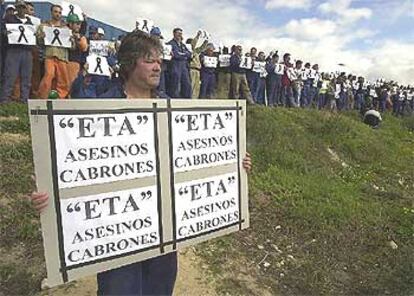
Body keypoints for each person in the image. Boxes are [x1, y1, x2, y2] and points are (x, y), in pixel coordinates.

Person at [31, 30, 253, 296]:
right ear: (129, 63)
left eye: (159, 60)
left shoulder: (172, 108)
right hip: (117, 237)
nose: (158, 65)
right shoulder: (98, 110)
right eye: (149, 60)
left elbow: (193, 157)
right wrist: (48, 192)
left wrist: (233, 163)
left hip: (162, 235)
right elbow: (71, 163)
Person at [0, 0, 33, 103]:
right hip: (13, 50)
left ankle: (24, 101)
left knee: (26, 78)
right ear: (16, 8)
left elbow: (34, 35)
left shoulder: (30, 22)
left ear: (26, 9)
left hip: (27, 51)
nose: (21, 9)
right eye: (19, 7)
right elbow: (2, 30)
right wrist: (4, 33)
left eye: (23, 7)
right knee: (10, 76)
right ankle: (5, 100)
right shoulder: (9, 19)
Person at [36, 4, 71, 99]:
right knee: (49, 75)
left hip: (62, 56)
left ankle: (60, 98)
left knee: (63, 79)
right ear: (51, 12)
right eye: (55, 12)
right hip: (49, 54)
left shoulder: (66, 28)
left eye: (59, 12)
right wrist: (41, 37)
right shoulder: (44, 26)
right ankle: (42, 97)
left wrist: (71, 40)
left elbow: (72, 46)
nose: (58, 14)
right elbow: (39, 42)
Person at [167, 28, 192, 98]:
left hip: (184, 67)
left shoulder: (183, 45)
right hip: (175, 66)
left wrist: (181, 54)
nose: (180, 35)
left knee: (187, 84)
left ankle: (186, 100)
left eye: (181, 33)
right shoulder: (170, 44)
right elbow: (175, 54)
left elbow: (189, 54)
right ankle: (174, 100)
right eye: (178, 33)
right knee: (175, 85)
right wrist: (183, 55)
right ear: (174, 34)